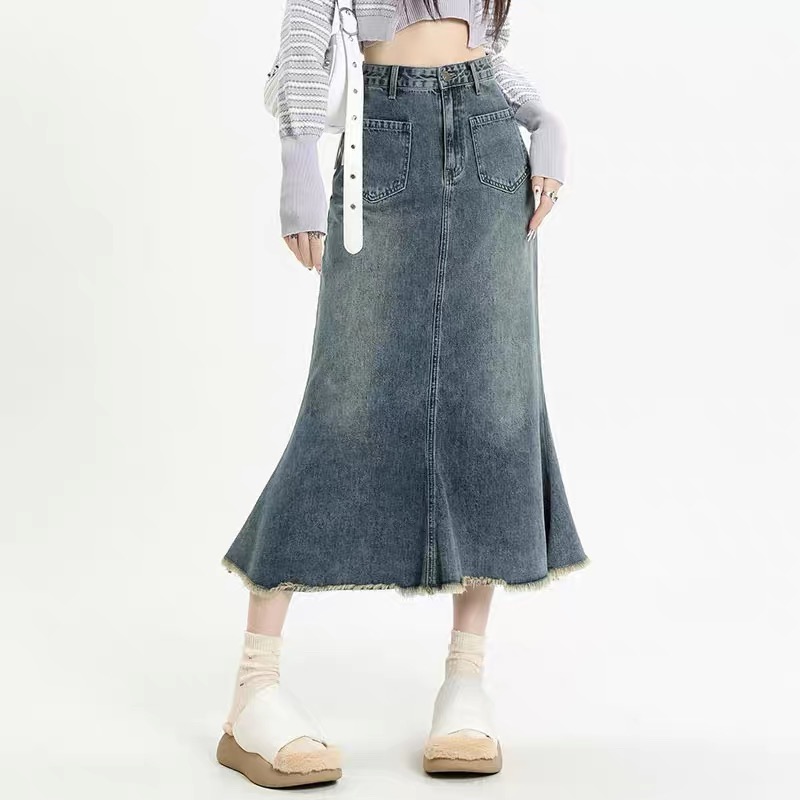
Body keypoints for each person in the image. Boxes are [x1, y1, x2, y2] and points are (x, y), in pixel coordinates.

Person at [216, 0, 590, 788]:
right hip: (380, 144)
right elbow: (308, 31)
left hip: (492, 147)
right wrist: (297, 159)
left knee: (492, 407)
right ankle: (254, 686)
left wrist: (542, 116)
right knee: (343, 408)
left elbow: (484, 49)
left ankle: (466, 678)